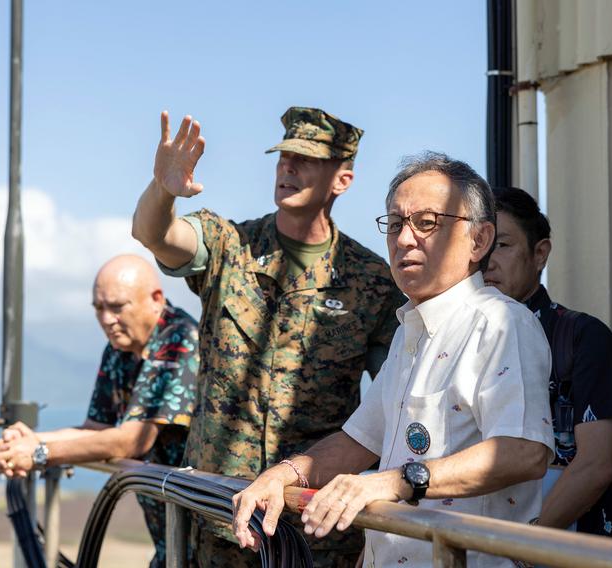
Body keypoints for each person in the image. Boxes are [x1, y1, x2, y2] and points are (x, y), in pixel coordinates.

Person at [232, 152, 554, 568]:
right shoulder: (410, 331)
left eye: (426, 223)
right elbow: (357, 441)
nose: (404, 240)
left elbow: (524, 451)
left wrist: (396, 482)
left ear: (479, 240)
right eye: (396, 224)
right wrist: (282, 475)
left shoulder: (503, 323)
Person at [131, 107, 402, 567]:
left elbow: (393, 401)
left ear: (342, 180)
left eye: (307, 159)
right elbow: (154, 234)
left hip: (313, 528)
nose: (288, 168)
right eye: (283, 157)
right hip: (219, 518)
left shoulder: (372, 281)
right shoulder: (229, 244)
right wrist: (162, 190)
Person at [0, 254, 199, 568]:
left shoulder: (179, 339)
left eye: (117, 307)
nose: (106, 319)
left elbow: (133, 441)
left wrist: (40, 453)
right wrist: (28, 440)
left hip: (206, 537)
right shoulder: (120, 349)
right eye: (99, 308)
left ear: (156, 299)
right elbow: (95, 429)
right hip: (170, 540)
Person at [483, 186, 612, 540]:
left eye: (503, 245)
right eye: (479, 245)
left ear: (539, 253)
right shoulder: (465, 345)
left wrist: (519, 549)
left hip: (569, 550)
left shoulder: (583, 338)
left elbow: (594, 466)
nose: (487, 260)